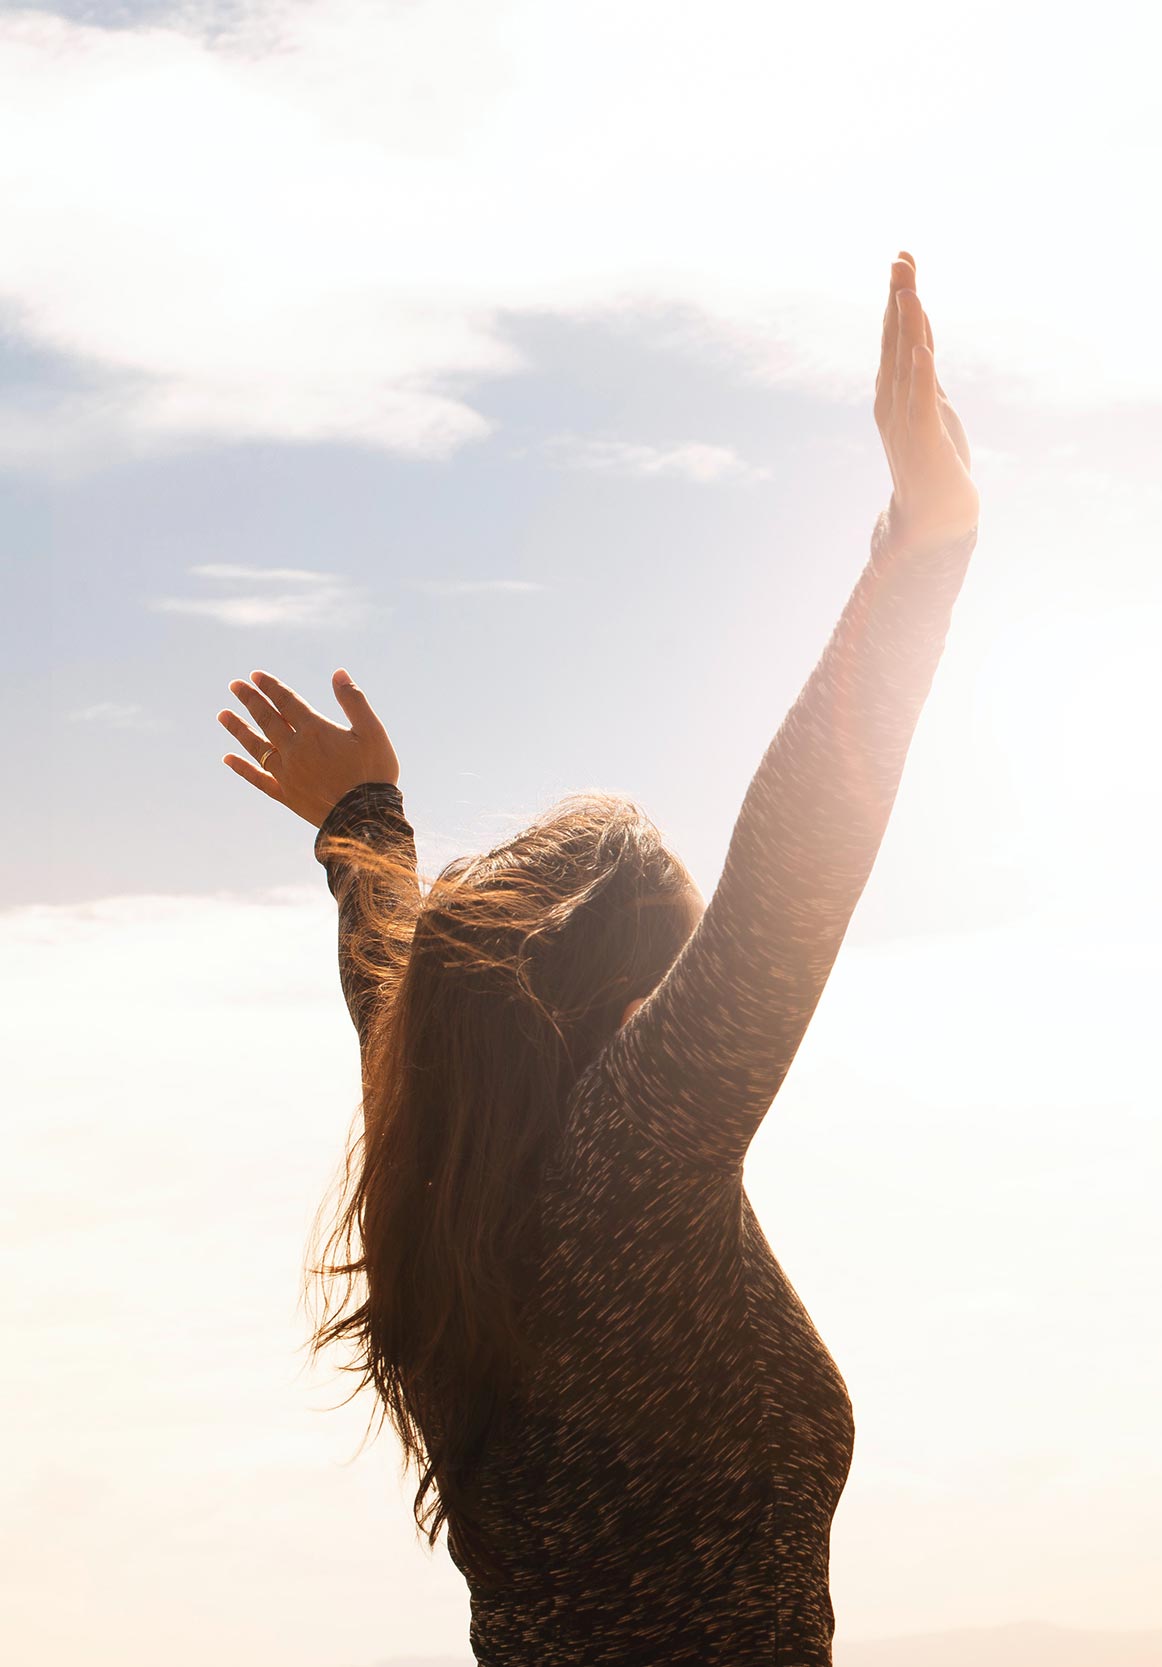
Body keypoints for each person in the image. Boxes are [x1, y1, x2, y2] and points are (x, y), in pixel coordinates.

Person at [214, 253, 979, 1665]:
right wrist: (919, 557)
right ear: (625, 997)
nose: (682, 1015)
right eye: (674, 981)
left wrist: (364, 825)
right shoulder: (624, 1175)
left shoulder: (445, 1184)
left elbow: (395, 981)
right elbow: (789, 878)